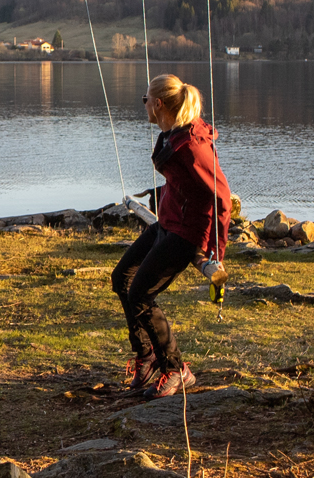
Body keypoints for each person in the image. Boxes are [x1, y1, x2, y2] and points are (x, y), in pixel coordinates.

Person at [111, 74, 233, 398]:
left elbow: (221, 197)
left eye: (145, 99)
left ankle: (176, 368)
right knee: (122, 278)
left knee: (140, 294)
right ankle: (147, 357)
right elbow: (179, 182)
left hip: (187, 232)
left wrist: (215, 252)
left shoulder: (193, 146)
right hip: (167, 222)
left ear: (158, 104)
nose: (144, 104)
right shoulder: (171, 134)